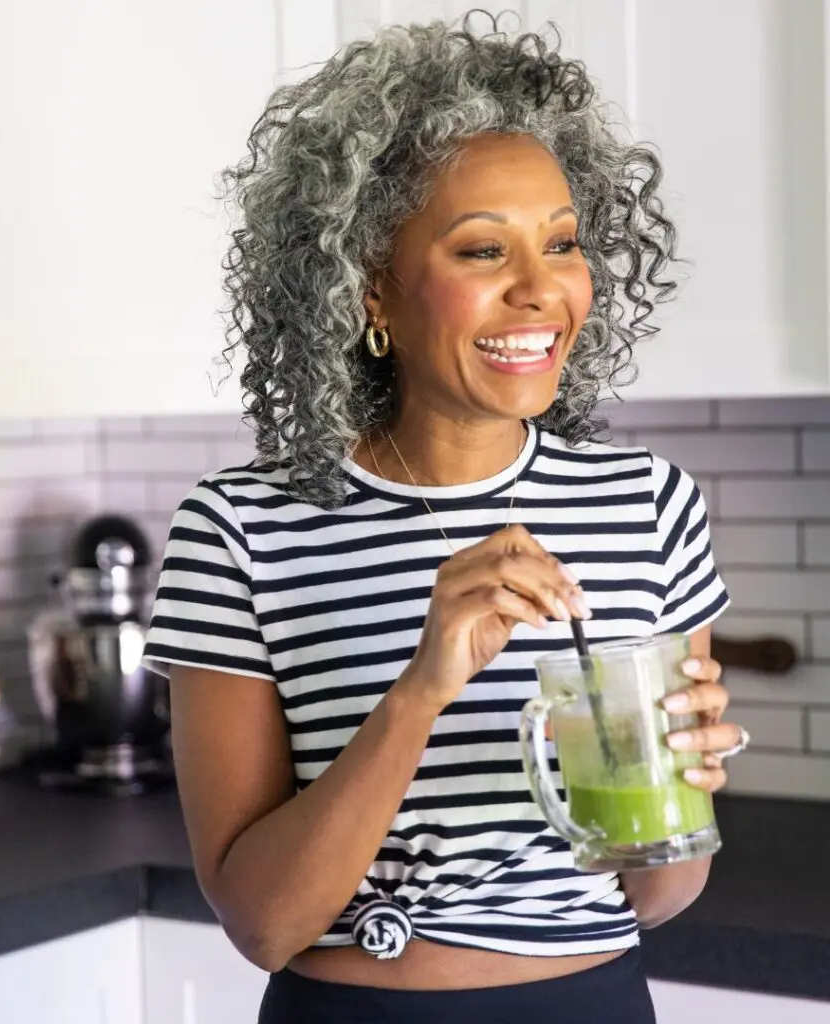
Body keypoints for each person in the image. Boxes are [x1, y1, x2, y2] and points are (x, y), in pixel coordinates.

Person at [144, 13, 748, 1023]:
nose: (540, 290)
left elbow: (656, 895)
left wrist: (676, 794)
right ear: (369, 287)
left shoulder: (646, 507)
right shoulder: (242, 530)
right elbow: (263, 921)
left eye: (561, 243)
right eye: (481, 250)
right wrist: (422, 688)